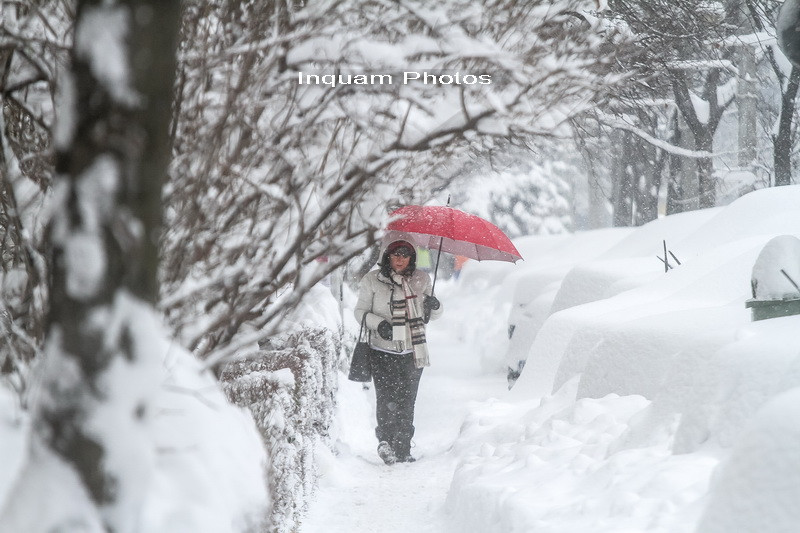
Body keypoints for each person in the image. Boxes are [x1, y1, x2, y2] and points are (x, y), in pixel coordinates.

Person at [354, 239, 443, 464]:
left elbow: (432, 316)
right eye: (396, 254)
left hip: (413, 351)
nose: (400, 259)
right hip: (381, 350)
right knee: (386, 399)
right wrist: (379, 324)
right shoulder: (372, 280)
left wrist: (435, 305)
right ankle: (385, 442)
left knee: (407, 400)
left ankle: (403, 447)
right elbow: (360, 312)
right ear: (388, 257)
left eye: (405, 255)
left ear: (412, 258)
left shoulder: (422, 280)